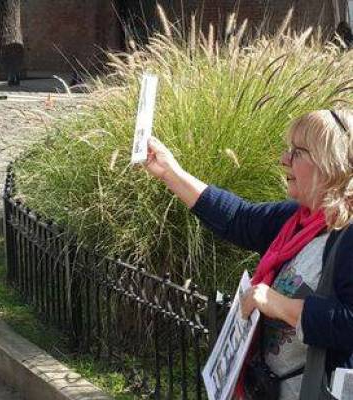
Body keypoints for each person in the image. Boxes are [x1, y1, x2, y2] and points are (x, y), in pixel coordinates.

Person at [143, 110, 353, 399]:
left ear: (328, 164)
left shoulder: (347, 234)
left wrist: (279, 305)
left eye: (297, 153)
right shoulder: (297, 220)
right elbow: (238, 218)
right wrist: (170, 171)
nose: (283, 159)